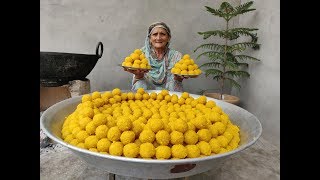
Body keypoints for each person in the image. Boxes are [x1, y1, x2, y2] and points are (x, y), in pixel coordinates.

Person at [123, 22, 188, 92]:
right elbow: (137, 80)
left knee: (173, 85)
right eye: (155, 34)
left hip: (169, 95)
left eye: (162, 34)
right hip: (146, 91)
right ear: (150, 38)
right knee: (140, 84)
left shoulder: (176, 56)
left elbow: (176, 82)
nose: (158, 38)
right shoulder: (140, 55)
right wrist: (138, 75)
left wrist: (178, 78)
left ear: (168, 38)